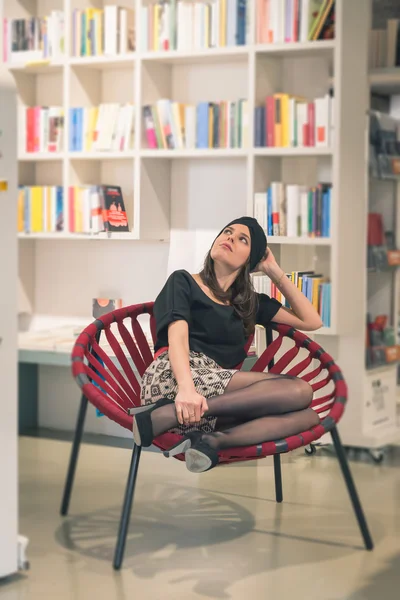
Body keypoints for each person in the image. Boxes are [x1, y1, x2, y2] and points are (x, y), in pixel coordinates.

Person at [133, 217, 322, 473]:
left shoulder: (249, 303)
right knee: (300, 390)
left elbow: (311, 320)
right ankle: (166, 413)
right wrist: (187, 391)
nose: (230, 238)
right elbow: (177, 338)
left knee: (309, 416)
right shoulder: (184, 281)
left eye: (242, 239)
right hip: (176, 380)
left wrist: (274, 271)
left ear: (250, 261)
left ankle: (209, 441)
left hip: (216, 396)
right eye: (227, 232)